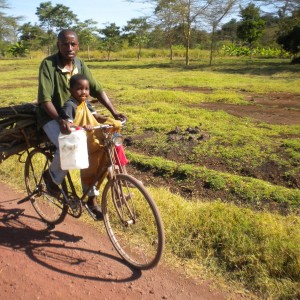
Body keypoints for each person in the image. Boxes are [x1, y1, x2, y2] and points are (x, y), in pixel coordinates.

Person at [37, 29, 126, 219]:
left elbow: (96, 89)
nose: (69, 47)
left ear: (78, 45)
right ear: (58, 45)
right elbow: (44, 100)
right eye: (65, 44)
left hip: (78, 114)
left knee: (98, 148)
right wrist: (60, 120)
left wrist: (113, 112)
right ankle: (51, 179)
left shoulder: (80, 64)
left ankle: (91, 198)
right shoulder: (48, 65)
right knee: (70, 145)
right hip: (52, 117)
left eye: (73, 44)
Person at [59, 73, 128, 218]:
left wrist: (111, 119)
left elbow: (96, 116)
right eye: (79, 89)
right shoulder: (69, 105)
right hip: (81, 144)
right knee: (90, 172)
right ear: (70, 90)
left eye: (86, 89)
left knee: (104, 164)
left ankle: (117, 190)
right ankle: (91, 201)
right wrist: (82, 126)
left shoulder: (85, 103)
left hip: (94, 141)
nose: (84, 92)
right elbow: (68, 123)